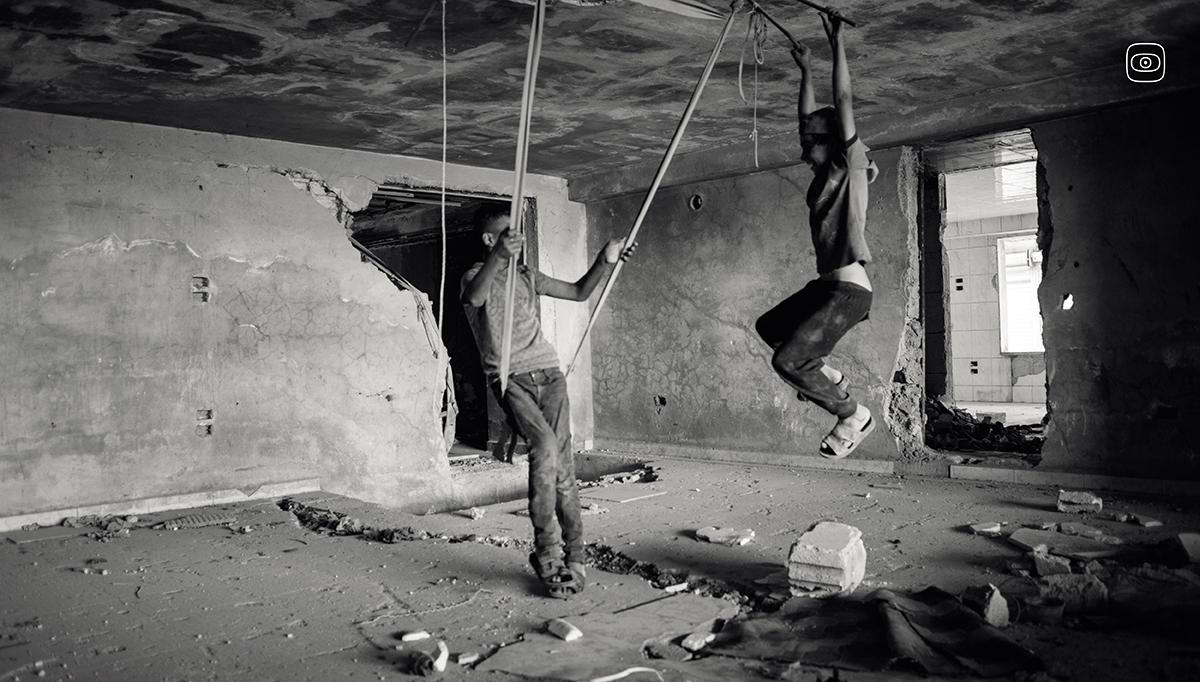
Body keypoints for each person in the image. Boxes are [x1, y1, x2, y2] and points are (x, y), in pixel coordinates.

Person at [461, 203, 634, 598]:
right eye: (507, 234)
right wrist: (497, 257)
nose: (515, 240)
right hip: (510, 379)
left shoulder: (525, 274)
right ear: (490, 239)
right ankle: (547, 551)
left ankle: (576, 555)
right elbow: (474, 299)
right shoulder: (475, 275)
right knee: (542, 448)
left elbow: (578, 292)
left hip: (550, 375)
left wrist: (604, 261)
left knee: (564, 469)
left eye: (516, 234)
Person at [755, 12, 878, 459]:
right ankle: (830, 377)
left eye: (812, 145)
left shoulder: (850, 162)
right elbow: (808, 118)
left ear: (834, 143)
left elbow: (843, 100)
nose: (805, 152)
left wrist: (837, 44)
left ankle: (852, 414)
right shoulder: (827, 166)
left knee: (786, 361)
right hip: (827, 286)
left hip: (847, 291)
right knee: (770, 328)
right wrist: (804, 70)